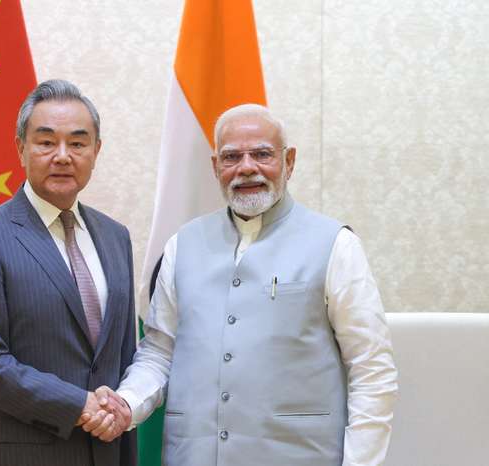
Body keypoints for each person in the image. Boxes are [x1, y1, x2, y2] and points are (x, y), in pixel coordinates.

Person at [87, 104, 398, 465]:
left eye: (263, 154)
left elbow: (371, 367)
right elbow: (159, 352)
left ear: (289, 162)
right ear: (216, 167)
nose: (247, 167)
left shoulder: (336, 244)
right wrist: (127, 402)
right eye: (232, 157)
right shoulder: (182, 245)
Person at [0, 79, 137, 466]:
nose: (63, 156)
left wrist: (120, 410)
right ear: (21, 148)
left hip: (107, 450)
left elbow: (122, 354)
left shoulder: (116, 237)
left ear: (96, 152)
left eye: (78, 143)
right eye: (46, 142)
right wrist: (78, 405)